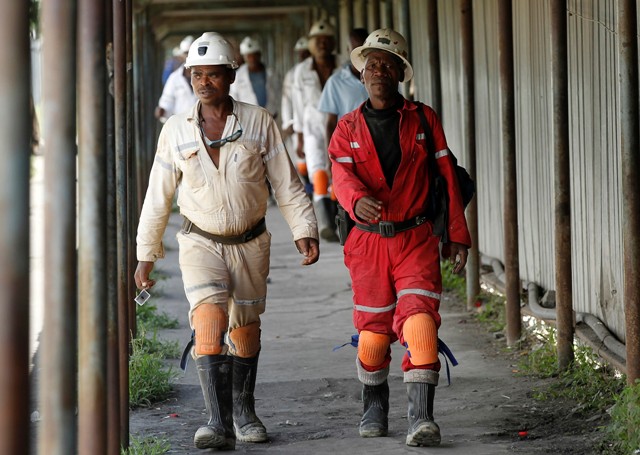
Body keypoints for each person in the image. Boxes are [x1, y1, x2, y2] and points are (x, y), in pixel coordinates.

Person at [134, 31, 320, 451]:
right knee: (209, 322)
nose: (203, 83)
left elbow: (286, 185)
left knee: (246, 330)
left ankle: (244, 412)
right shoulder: (175, 131)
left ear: (229, 76)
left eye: (212, 75)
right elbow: (157, 196)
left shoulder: (258, 122)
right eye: (196, 75)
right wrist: (146, 254)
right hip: (200, 242)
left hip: (251, 243)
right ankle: (216, 423)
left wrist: (304, 229)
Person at [328, 28, 471, 447]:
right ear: (362, 74)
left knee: (420, 323)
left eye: (387, 65)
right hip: (368, 243)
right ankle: (374, 403)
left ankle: (421, 418)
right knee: (373, 336)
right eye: (371, 64)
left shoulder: (424, 119)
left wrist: (456, 235)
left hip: (415, 238)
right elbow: (341, 176)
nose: (378, 71)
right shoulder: (347, 127)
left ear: (399, 74)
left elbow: (448, 177)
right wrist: (356, 202)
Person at [292, 19, 339, 242]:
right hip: (311, 127)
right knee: (318, 169)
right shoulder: (302, 71)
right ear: (311, 44)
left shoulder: (343, 66)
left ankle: (338, 215)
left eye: (326, 40)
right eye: (317, 41)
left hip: (341, 125)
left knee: (340, 168)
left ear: (333, 43)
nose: (322, 44)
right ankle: (326, 222)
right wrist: (299, 136)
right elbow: (297, 105)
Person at [317, 28, 369, 142]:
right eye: (355, 49)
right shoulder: (335, 82)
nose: (360, 54)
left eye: (363, 49)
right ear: (348, 50)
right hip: (349, 145)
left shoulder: (377, 78)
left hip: (376, 144)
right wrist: (331, 157)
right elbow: (330, 123)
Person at [281, 37, 312, 195]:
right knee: (302, 156)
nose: (302, 56)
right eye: (300, 53)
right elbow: (287, 100)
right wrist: (289, 122)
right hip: (297, 121)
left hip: (315, 121)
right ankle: (309, 186)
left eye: (305, 53)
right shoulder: (292, 74)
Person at [229, 36, 281, 119]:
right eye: (248, 56)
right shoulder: (238, 75)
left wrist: (276, 110)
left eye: (254, 55)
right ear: (244, 57)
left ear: (259, 55)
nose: (252, 59)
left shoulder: (271, 73)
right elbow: (234, 97)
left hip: (270, 116)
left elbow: (278, 93)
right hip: (248, 118)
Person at [155, 35, 197, 123]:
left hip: (207, 126)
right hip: (182, 125)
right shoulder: (174, 78)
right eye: (186, 53)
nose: (189, 56)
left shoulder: (207, 76)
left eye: (192, 53)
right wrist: (163, 111)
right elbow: (167, 100)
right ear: (182, 56)